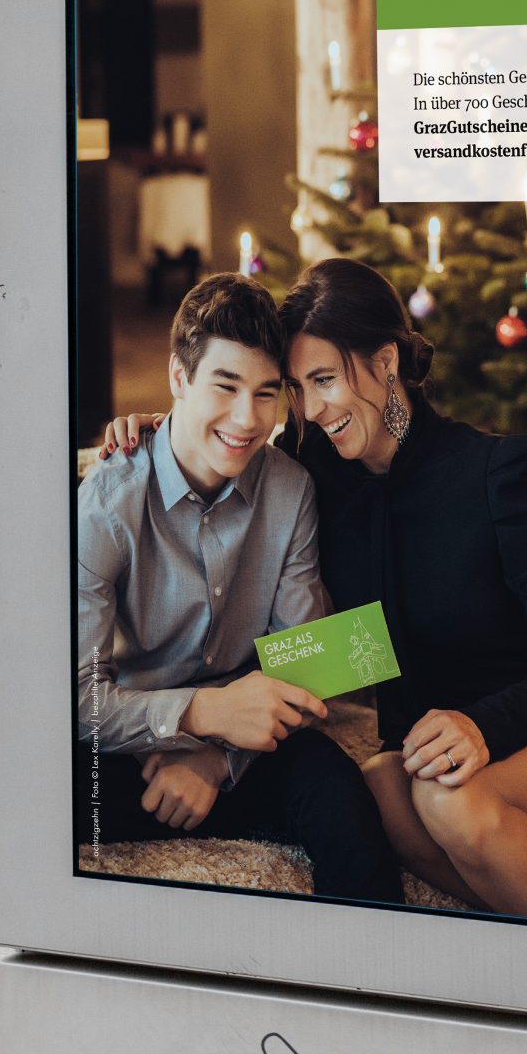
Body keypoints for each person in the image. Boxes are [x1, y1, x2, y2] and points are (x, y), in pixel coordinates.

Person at [105, 258, 527, 931]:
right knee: (380, 791)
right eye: (297, 388)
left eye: (326, 379)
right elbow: (324, 649)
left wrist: (482, 727)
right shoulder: (311, 480)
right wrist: (166, 424)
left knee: (447, 802)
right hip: (419, 753)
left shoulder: (500, 473)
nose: (312, 409)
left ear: (385, 360)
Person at [77, 271, 402, 905]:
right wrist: (200, 715)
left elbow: (309, 662)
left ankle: (375, 980)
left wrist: (215, 757)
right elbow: (77, 700)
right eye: (225, 387)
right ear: (178, 378)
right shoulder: (107, 504)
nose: (247, 419)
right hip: (123, 739)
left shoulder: (290, 488)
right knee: (42, 786)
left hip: (251, 742)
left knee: (340, 796)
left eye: (266, 394)